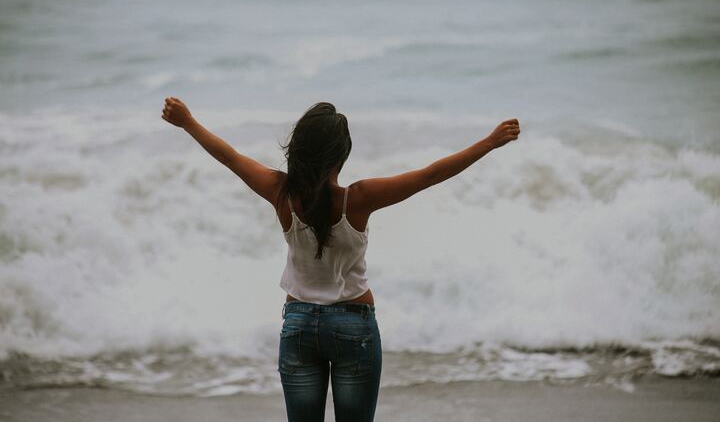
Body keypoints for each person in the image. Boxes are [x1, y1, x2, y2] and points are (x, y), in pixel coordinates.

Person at [161, 97, 521, 422]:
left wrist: (188, 121)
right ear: (342, 154)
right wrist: (489, 143)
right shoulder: (359, 198)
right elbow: (429, 176)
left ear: (298, 150)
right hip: (354, 326)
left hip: (298, 325)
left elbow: (229, 157)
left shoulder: (280, 192)